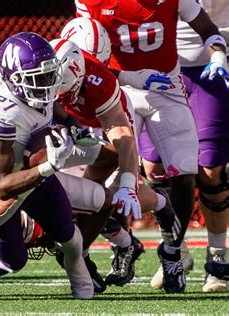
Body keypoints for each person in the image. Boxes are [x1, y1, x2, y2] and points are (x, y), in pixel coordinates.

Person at [76, 0, 227, 293]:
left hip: (166, 89)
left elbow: (207, 28)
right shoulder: (92, 3)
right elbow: (84, 56)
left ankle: (173, 253)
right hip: (117, 92)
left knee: (185, 172)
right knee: (106, 176)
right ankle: (118, 243)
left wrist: (219, 54)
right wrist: (130, 77)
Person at [0, 32, 93, 299]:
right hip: (3, 184)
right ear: (13, 80)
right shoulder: (0, 112)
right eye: (39, 78)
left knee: (68, 236)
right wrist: (48, 167)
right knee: (13, 262)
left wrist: (75, 127)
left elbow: (54, 108)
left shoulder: (36, 88)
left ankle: (79, 273)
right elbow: (1, 186)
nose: (48, 84)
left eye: (49, 75)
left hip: (36, 176)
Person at [50, 38, 179, 288]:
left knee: (111, 194)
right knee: (76, 199)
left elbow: (123, 140)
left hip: (105, 123)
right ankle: (123, 243)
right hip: (72, 127)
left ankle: (160, 202)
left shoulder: (99, 83)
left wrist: (129, 183)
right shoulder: (40, 67)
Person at [143, 0, 229, 292]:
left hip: (212, 65)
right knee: (154, 169)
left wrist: (221, 53)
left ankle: (218, 260)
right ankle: (175, 250)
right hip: (158, 69)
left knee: (211, 170)